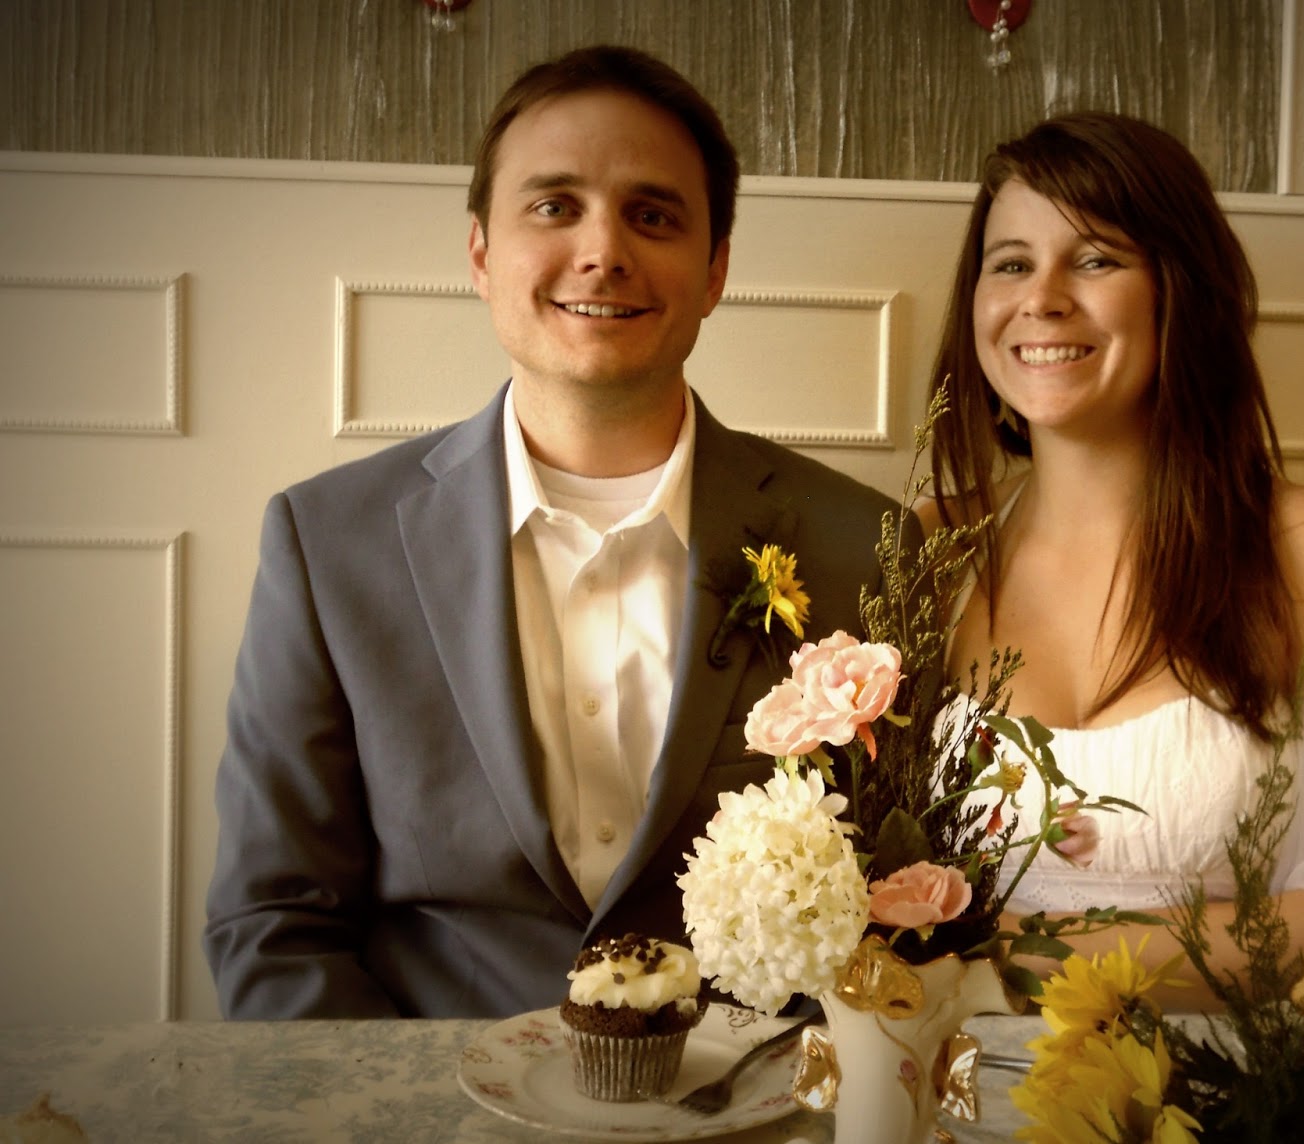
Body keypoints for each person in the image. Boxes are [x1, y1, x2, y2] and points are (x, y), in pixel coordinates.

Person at [204, 45, 900, 1019]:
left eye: (651, 215)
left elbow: (905, 908)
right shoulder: (326, 545)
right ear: (481, 253)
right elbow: (273, 919)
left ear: (715, 269)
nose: (603, 249)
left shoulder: (867, 547)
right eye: (554, 205)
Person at [919, 112, 1304, 1006]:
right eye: (1011, 262)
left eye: (1095, 259)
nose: (1042, 297)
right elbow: (848, 898)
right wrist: (1256, 941)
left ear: (1183, 290)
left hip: (1240, 1103)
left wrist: (981, 946)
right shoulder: (929, 554)